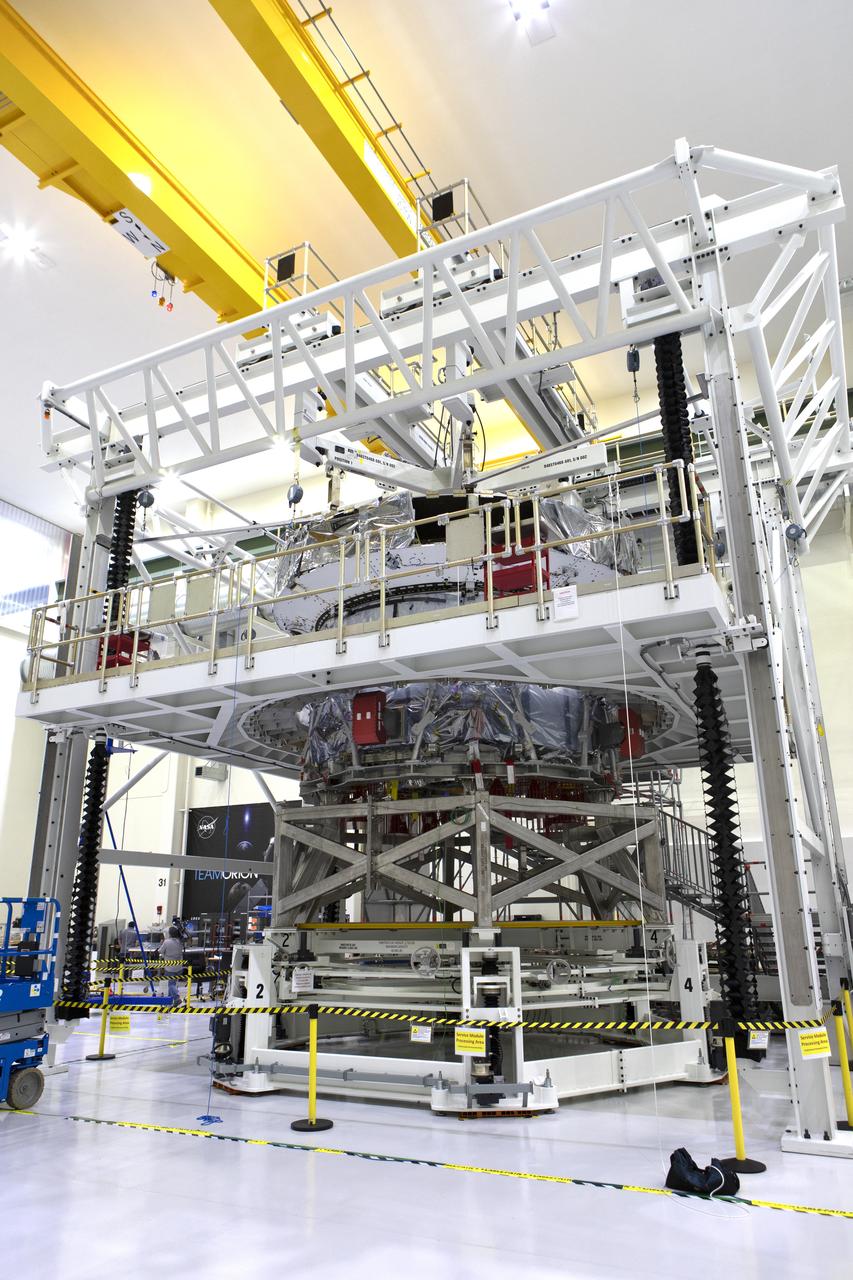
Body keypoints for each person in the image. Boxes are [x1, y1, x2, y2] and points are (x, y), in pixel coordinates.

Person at [158, 926, 183, 1004]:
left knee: (171, 984)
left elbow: (160, 951)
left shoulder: (167, 942)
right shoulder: (179, 941)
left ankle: (177, 998)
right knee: (173, 983)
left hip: (170, 967)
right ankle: (169, 1001)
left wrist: (161, 944)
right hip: (179, 967)